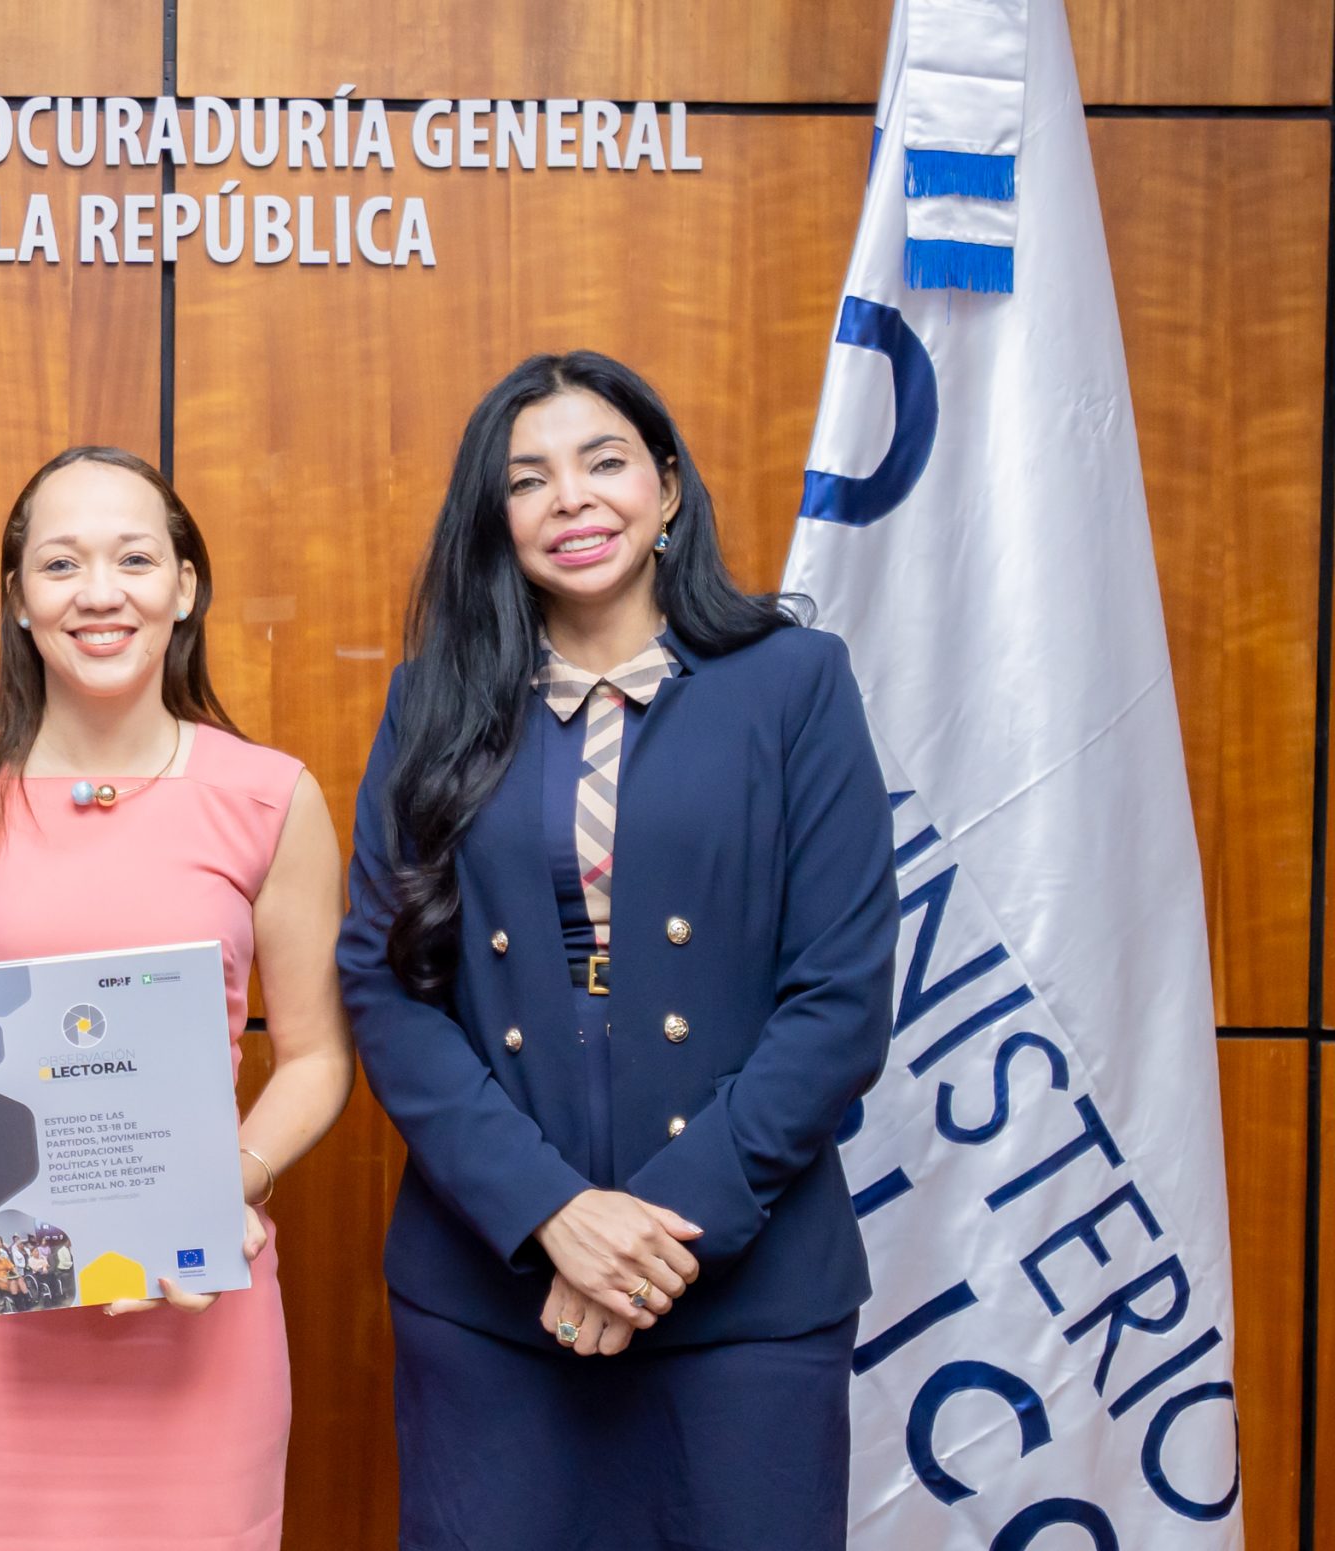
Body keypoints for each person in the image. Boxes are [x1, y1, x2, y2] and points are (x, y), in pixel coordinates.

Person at [337, 352, 897, 1548]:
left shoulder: (794, 683)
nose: (572, 500)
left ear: (668, 487)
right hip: (492, 1294)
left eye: (604, 463)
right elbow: (385, 988)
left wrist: (647, 1241)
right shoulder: (431, 703)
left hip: (744, 1294)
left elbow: (839, 998)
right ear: (494, 517)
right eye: (527, 479)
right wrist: (551, 1214)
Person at [0, 447, 355, 1550]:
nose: (99, 592)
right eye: (61, 564)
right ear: (17, 598)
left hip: (198, 1298)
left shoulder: (268, 795)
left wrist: (222, 1185)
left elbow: (319, 1056)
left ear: (184, 588)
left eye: (134, 559)